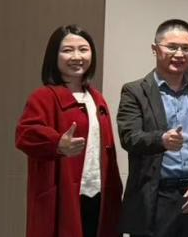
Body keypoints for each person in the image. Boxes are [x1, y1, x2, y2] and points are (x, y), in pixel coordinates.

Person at [117, 19, 188, 237]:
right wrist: (162, 140)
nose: (179, 54)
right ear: (155, 49)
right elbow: (129, 137)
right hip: (156, 197)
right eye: (172, 47)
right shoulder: (135, 91)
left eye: (186, 48)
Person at [17, 25, 123, 237]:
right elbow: (25, 134)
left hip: (98, 193)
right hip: (62, 196)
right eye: (67, 50)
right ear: (54, 56)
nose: (77, 57)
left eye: (83, 49)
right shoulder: (44, 97)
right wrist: (56, 143)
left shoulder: (97, 98)